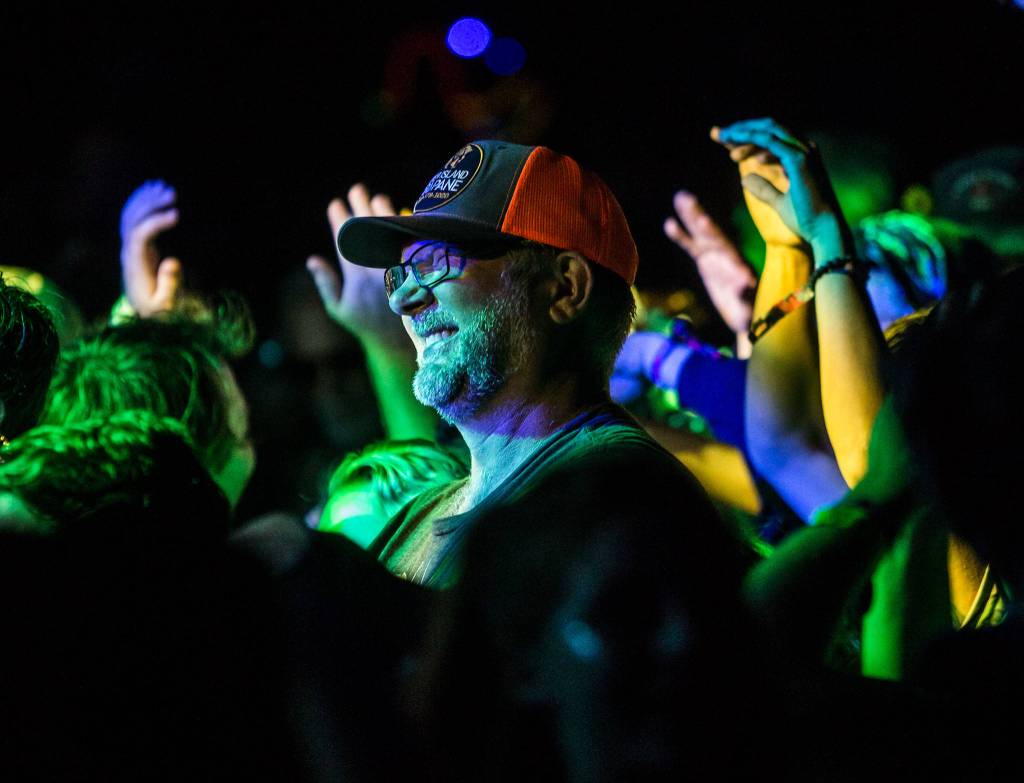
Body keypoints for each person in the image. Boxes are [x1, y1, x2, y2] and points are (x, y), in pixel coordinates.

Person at [336, 140, 754, 587]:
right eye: (399, 275)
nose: (402, 299)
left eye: (437, 262)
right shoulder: (416, 517)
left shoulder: (617, 503)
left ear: (565, 288)